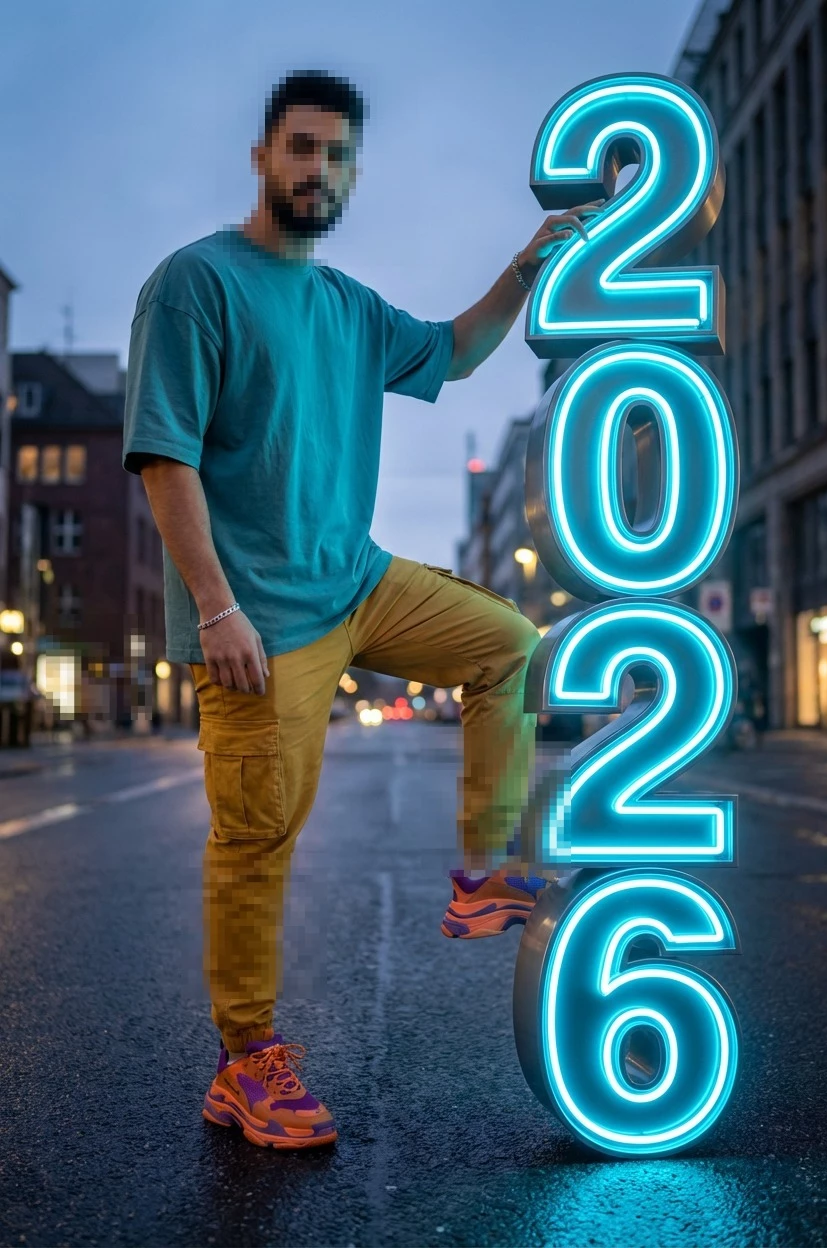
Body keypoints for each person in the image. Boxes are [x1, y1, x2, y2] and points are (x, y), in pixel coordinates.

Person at [122, 69, 602, 1151]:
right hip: (260, 621)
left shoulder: (347, 306)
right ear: (262, 157)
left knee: (508, 644)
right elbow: (163, 457)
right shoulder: (195, 283)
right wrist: (217, 607)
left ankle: (483, 873)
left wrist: (523, 269)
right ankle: (246, 1062)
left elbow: (456, 351)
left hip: (358, 581)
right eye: (301, 148)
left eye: (338, 156)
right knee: (258, 836)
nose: (319, 170)